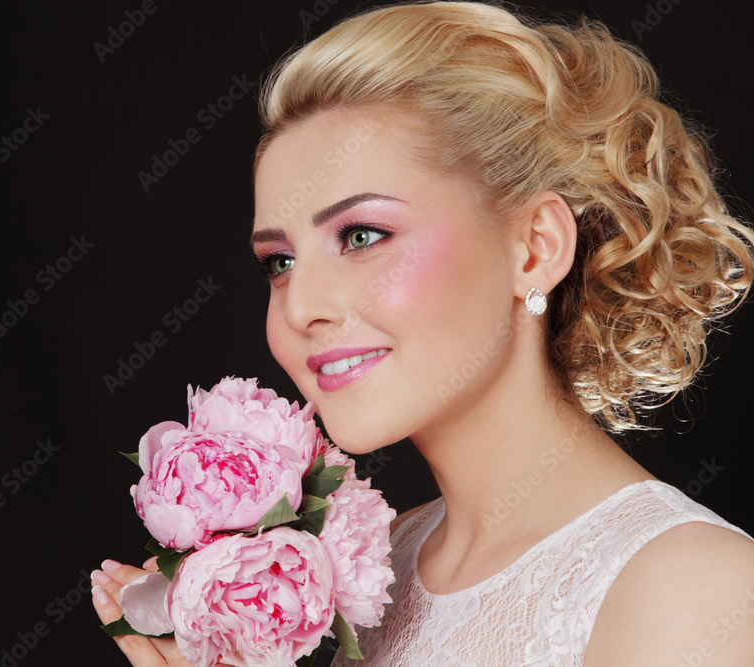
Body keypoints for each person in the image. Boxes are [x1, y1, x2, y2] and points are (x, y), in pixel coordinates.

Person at [92, 2, 754, 664]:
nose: (301, 309)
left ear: (533, 247)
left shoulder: (692, 589)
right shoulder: (390, 565)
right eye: (280, 263)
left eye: (361, 235)